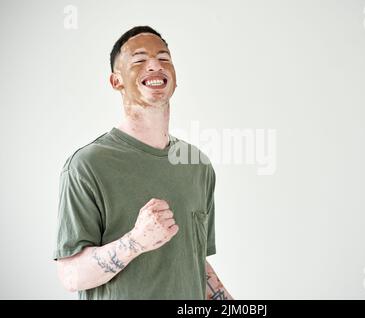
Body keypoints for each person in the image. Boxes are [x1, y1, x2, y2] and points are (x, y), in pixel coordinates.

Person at [53, 26, 233, 300]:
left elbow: (192, 262)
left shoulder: (198, 165)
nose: (154, 65)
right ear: (116, 81)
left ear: (174, 77)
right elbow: (71, 275)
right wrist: (135, 241)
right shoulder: (87, 165)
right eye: (139, 60)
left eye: (164, 59)